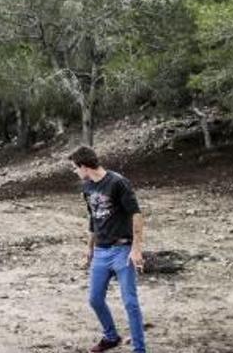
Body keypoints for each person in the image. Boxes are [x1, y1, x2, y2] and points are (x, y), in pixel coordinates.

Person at [69, 146, 146, 353]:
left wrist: (136, 249)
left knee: (130, 303)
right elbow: (93, 219)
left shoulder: (118, 182)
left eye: (75, 168)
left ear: (84, 166)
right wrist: (89, 249)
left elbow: (136, 215)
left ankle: (139, 349)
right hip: (101, 252)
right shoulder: (87, 187)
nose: (75, 172)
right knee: (94, 299)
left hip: (123, 249)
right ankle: (111, 337)